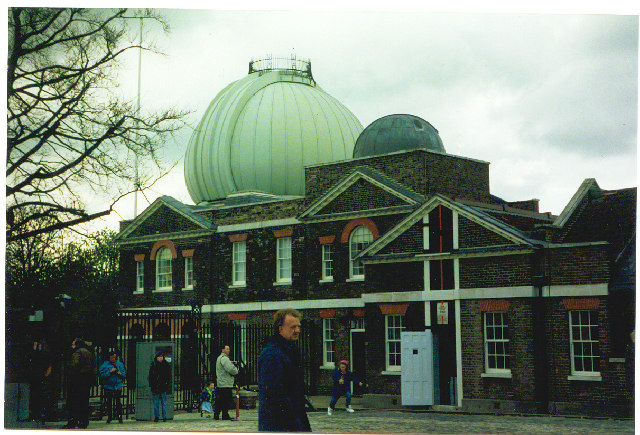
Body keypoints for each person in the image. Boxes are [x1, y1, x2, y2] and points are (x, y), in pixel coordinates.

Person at [258, 308, 311, 432]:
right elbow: (274, 392)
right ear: (280, 328)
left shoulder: (290, 351)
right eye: (292, 327)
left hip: (293, 420)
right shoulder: (272, 354)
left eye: (298, 326)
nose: (297, 330)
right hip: (279, 424)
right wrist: (294, 423)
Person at [63, 338, 96, 429]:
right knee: (84, 401)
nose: (71, 345)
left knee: (73, 401)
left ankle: (72, 422)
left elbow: (74, 365)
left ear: (76, 345)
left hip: (77, 379)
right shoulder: (89, 352)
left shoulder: (77, 352)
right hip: (87, 379)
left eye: (73, 344)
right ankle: (83, 422)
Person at [27, 339, 52, 423]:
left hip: (37, 376)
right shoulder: (45, 354)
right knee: (39, 396)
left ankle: (36, 413)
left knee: (36, 396)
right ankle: (38, 413)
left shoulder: (40, 354)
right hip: (40, 376)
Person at [99, 350, 126, 423]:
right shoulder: (105, 365)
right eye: (111, 357)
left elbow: (124, 375)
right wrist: (109, 372)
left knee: (118, 402)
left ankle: (119, 417)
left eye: (114, 357)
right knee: (109, 402)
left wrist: (119, 373)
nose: (113, 359)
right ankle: (109, 417)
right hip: (108, 386)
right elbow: (102, 375)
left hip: (118, 385)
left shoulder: (120, 364)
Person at [215, 345, 239, 420]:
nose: (229, 350)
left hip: (221, 382)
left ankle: (217, 414)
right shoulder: (225, 359)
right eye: (227, 349)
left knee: (220, 400)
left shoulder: (219, 358)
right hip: (226, 382)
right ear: (223, 350)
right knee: (226, 400)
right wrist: (236, 370)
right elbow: (231, 369)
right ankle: (225, 415)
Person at [148, 351, 171, 422]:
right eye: (159, 357)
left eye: (161, 357)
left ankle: (164, 417)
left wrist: (166, 384)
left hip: (162, 386)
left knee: (163, 403)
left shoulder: (166, 365)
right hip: (155, 387)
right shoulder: (154, 365)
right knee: (156, 403)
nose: (160, 358)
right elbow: (150, 376)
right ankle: (157, 416)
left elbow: (168, 376)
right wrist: (152, 384)